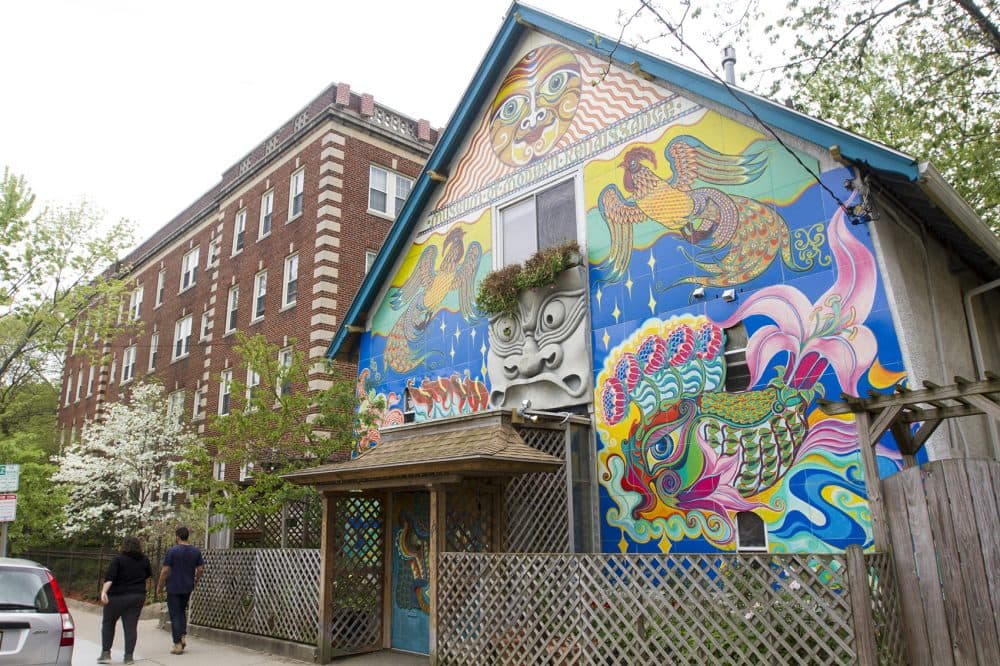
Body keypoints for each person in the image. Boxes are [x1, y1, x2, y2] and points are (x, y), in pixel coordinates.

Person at [98, 536, 151, 665]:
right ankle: (128, 656)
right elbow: (148, 575)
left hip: (116, 597)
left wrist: (104, 592)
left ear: (124, 546)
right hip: (136, 596)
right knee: (131, 627)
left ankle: (106, 653)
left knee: (109, 623)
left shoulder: (118, 560)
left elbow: (110, 578)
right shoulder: (144, 560)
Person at [156, 526, 205, 655]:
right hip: (188, 586)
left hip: (173, 586)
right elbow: (200, 569)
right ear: (187, 536)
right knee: (182, 611)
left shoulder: (172, 551)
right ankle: (182, 635)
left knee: (175, 614)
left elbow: (165, 570)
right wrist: (196, 580)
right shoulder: (195, 551)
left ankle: (177, 642)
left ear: (177, 537)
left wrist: (160, 586)